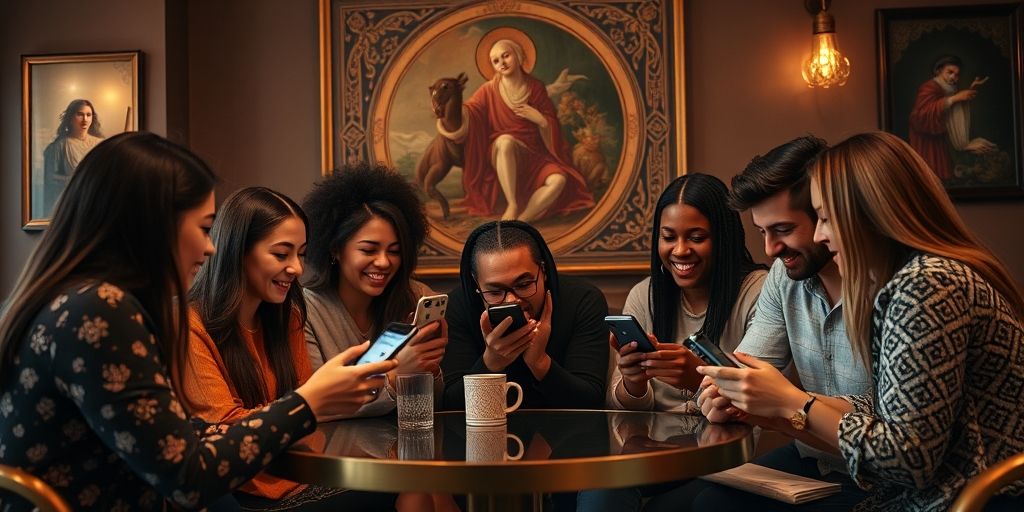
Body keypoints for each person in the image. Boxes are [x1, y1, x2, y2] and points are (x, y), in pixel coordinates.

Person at [0, 132, 394, 511]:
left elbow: (172, 438)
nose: (210, 247)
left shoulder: (78, 300)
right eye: (205, 228)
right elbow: (186, 476)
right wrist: (307, 403)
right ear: (152, 224)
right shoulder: (101, 311)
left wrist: (309, 401)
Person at [699, 132, 1024, 511]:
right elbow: (890, 410)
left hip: (974, 495)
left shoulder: (925, 286)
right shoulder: (928, 275)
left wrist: (792, 405)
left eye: (824, 218)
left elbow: (908, 460)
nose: (821, 233)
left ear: (867, 215)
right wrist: (771, 405)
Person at [683, 136, 873, 511]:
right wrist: (726, 396)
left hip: (877, 470)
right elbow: (746, 370)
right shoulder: (783, 278)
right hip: (814, 458)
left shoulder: (892, 283)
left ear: (825, 213)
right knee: (708, 505)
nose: (769, 249)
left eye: (782, 230)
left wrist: (785, 404)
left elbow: (895, 424)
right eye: (762, 232)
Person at [184, 187, 394, 510]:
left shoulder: (287, 317)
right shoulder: (191, 326)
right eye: (282, 254)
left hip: (300, 475)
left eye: (301, 254)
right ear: (238, 252)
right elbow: (224, 432)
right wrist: (311, 400)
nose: (296, 268)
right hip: (247, 492)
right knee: (410, 489)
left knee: (423, 485)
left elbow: (307, 412)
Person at [576, 173, 767, 512]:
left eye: (696, 237)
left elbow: (761, 393)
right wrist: (634, 383)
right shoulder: (644, 296)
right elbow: (619, 411)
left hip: (726, 457)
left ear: (722, 238)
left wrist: (699, 375)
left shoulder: (757, 291)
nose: (680, 250)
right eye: (668, 237)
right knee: (599, 491)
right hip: (654, 454)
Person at [302, 162, 447, 417]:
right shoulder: (305, 311)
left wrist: (428, 369)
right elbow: (318, 407)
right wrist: (395, 375)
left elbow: (431, 408)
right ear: (336, 249)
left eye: (394, 251)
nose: (383, 262)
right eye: (369, 250)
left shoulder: (416, 297)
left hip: (403, 449)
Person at [441, 220, 608, 410]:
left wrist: (540, 362)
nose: (512, 300)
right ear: (476, 284)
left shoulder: (582, 300)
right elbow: (451, 408)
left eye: (524, 285)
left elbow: (591, 403)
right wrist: (491, 363)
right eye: (495, 292)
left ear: (543, 271)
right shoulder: (459, 306)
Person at [436, 36, 594, 222]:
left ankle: (523, 221)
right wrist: (450, 113)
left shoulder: (535, 87)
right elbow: (470, 114)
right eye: (496, 61)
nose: (502, 63)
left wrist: (541, 120)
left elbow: (550, 123)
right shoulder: (488, 90)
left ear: (518, 56)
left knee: (559, 180)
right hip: (502, 153)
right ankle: (512, 204)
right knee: (505, 141)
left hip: (535, 156)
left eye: (506, 56)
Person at [909, 55, 995, 180]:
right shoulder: (929, 87)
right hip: (926, 140)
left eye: (956, 74)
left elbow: (953, 108)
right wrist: (955, 98)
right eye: (950, 72)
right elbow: (920, 116)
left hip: (939, 137)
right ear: (938, 71)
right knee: (929, 176)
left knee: (943, 175)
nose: (953, 77)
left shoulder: (947, 89)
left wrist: (971, 90)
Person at [42, 99, 104, 214]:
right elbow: (50, 178)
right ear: (70, 118)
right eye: (80, 114)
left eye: (88, 115)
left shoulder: (100, 144)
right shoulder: (60, 145)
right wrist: (77, 180)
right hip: (73, 203)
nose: (85, 119)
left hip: (97, 201)